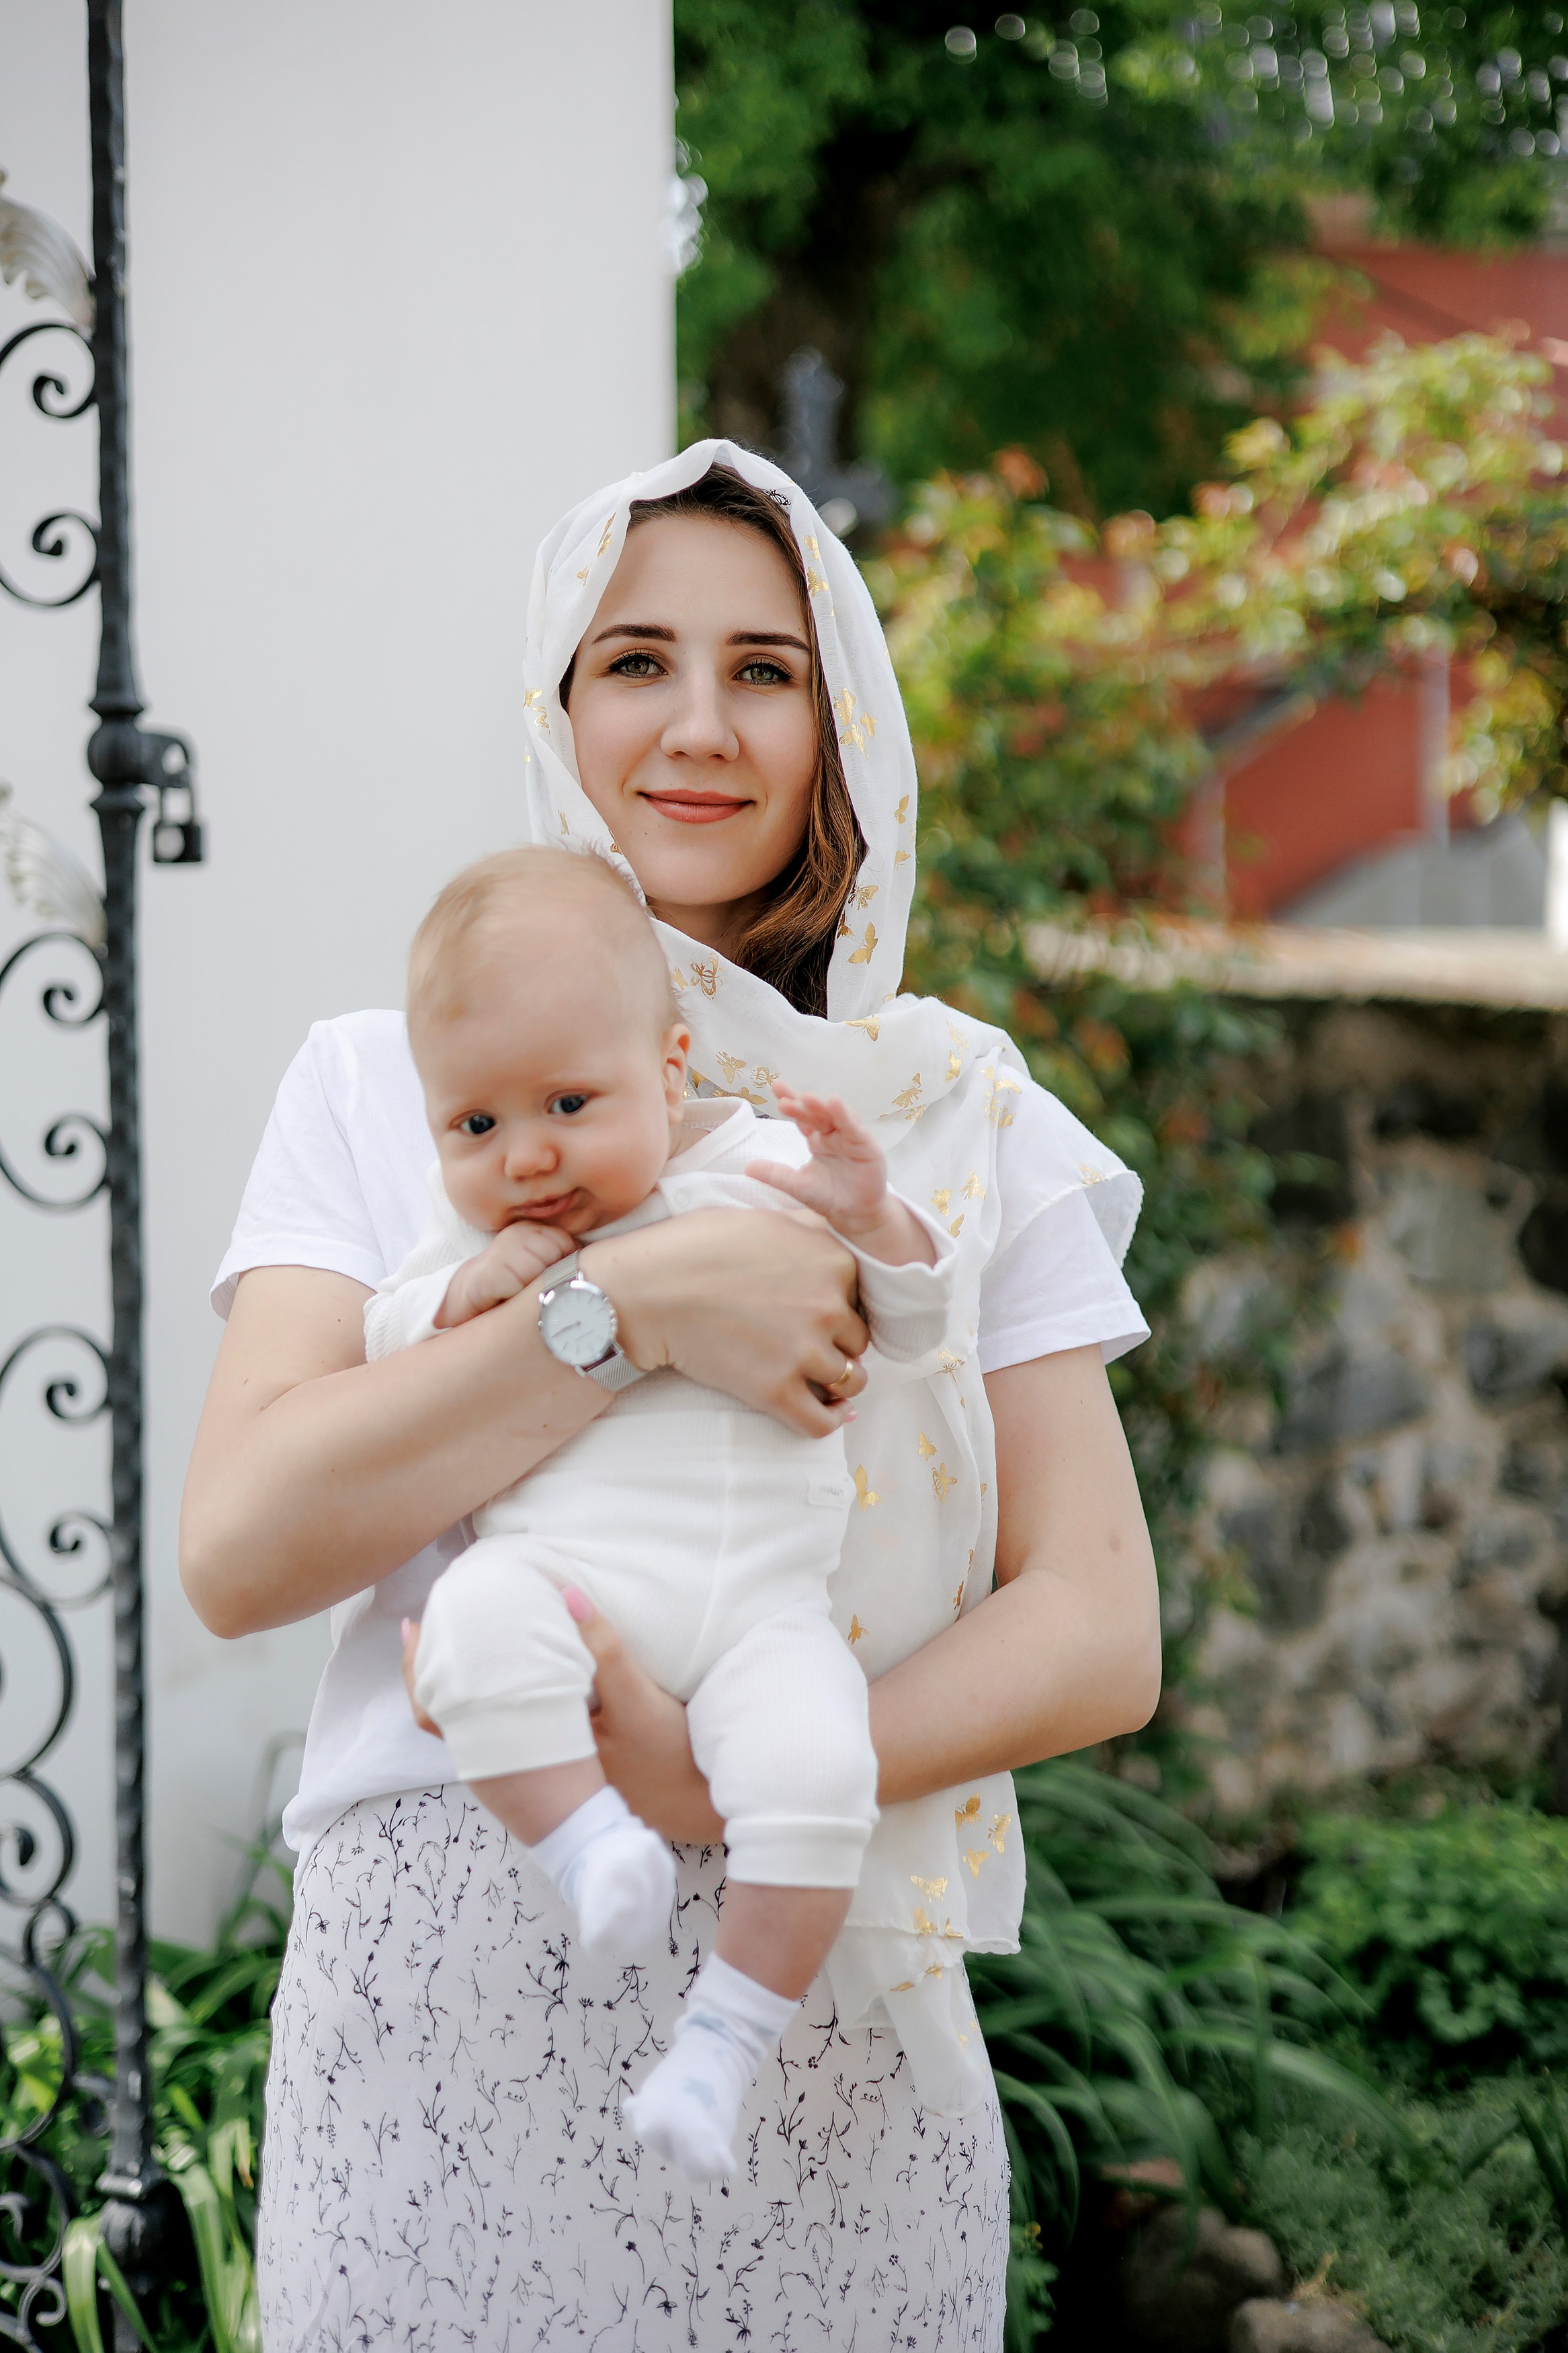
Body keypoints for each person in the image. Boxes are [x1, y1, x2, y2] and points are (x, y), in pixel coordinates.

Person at [181, 444, 1161, 2351]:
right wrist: (625, 1306)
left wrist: (723, 1771)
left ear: (841, 725)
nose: (696, 725)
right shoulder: (391, 1084)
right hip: (439, 2005)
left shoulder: (953, 1123)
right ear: (558, 706)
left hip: (823, 2005)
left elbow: (1094, 1624)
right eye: (632, 660)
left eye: (765, 669)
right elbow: (242, 1544)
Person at [374, 840, 958, 2180]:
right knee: (470, 1626)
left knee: (823, 1776)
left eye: (570, 1102)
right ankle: (586, 1845)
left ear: (674, 1070)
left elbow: (919, 1330)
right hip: (576, 1590)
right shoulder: (472, 1242)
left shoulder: (761, 1171)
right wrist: (481, 1294)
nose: (524, 1157)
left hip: (766, 1612)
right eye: (474, 1126)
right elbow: (388, 1337)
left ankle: (720, 2050)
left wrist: (876, 1221)